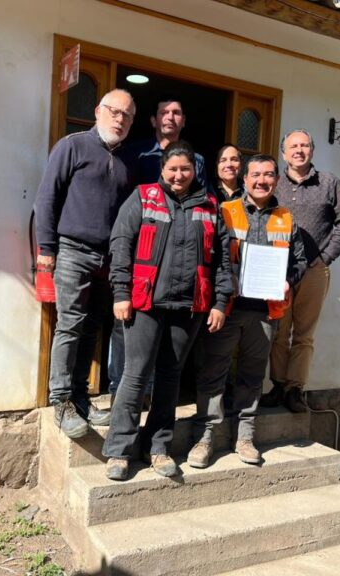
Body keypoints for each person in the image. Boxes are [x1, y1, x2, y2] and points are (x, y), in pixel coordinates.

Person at [103, 141, 232, 481]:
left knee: (170, 378)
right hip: (144, 303)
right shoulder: (143, 197)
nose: (178, 175)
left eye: (185, 169)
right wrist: (121, 293)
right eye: (172, 169)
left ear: (194, 171)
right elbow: (121, 244)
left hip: (188, 308)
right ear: (162, 170)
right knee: (135, 375)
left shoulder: (210, 206)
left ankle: (157, 447)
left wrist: (220, 302)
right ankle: (119, 450)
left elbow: (222, 262)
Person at [187, 155, 307, 468]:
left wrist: (288, 280)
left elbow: (299, 260)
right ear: (244, 178)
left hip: (265, 311)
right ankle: (205, 436)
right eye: (255, 174)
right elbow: (209, 255)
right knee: (214, 372)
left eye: (268, 175)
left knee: (253, 375)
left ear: (276, 180)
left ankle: (244, 436)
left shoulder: (286, 218)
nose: (261, 181)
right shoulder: (225, 211)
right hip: (227, 308)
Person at [34, 89, 136, 439]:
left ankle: (80, 399)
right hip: (72, 250)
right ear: (98, 111)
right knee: (70, 324)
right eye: (114, 111)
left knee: (93, 327)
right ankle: (60, 401)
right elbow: (48, 195)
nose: (119, 119)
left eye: (126, 115)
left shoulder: (127, 161)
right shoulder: (72, 146)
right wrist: (46, 248)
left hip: (110, 258)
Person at [108, 96, 208, 403]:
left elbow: (201, 206)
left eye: (177, 112)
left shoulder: (199, 162)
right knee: (125, 330)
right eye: (164, 111)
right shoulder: (135, 152)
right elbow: (120, 198)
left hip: (175, 261)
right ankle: (118, 392)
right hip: (136, 254)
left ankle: (149, 399)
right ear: (153, 120)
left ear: (184, 120)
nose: (170, 117)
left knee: (163, 347)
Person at [265, 129, 340, 413]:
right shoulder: (274, 184)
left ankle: (295, 389)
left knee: (304, 334)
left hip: (314, 270)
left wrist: (325, 257)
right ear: (284, 153)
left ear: (312, 151)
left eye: (304, 145)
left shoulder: (329, 182)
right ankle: (278, 386)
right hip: (279, 269)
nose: (299, 150)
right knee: (279, 331)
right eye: (293, 146)